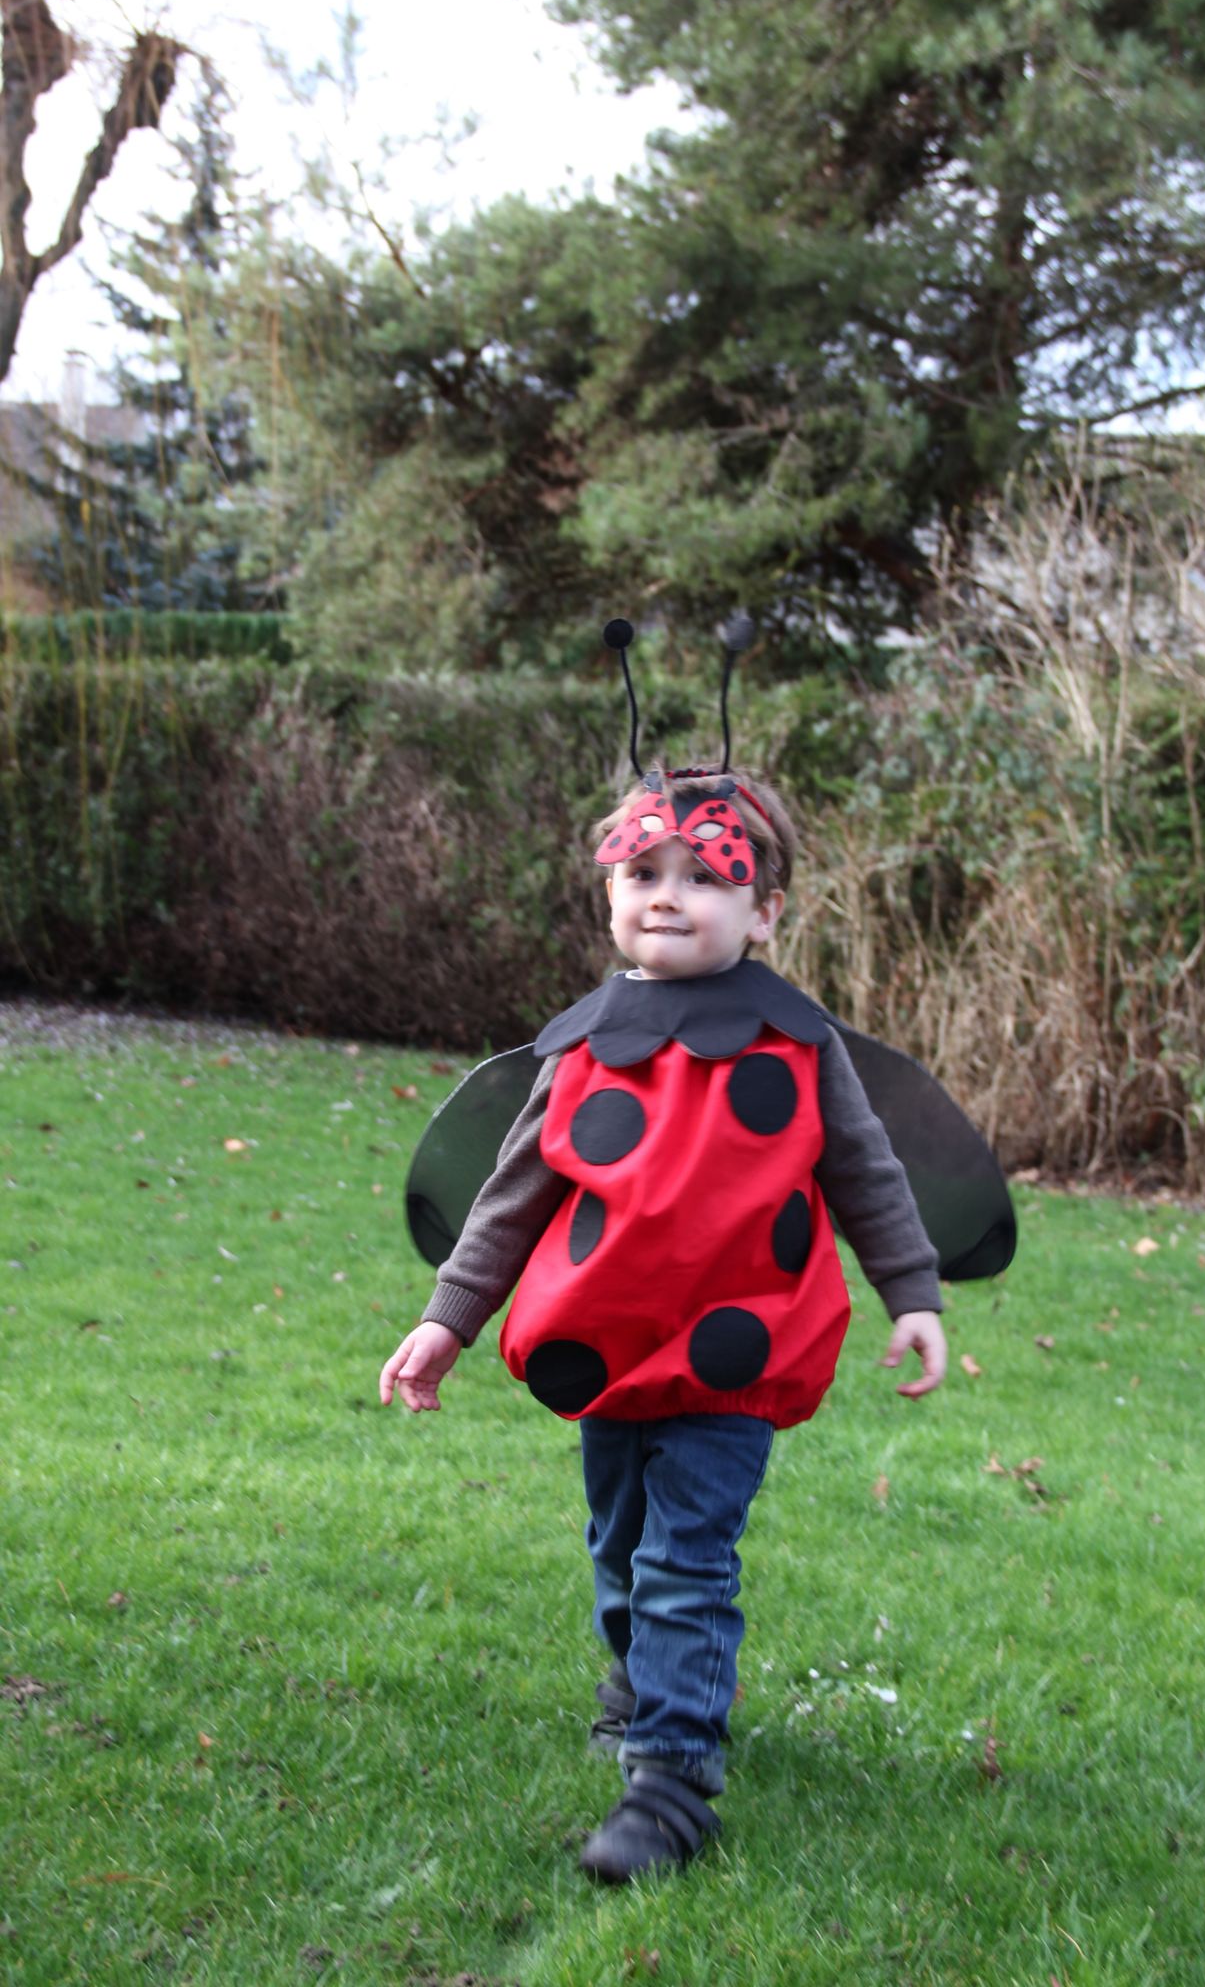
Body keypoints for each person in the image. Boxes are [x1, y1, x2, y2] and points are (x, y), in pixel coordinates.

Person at [379, 762, 948, 1883]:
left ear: (766, 908)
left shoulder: (797, 1041)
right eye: (643, 871)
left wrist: (914, 1292)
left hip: (737, 1346)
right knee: (620, 1540)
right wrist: (450, 1315)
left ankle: (671, 1781)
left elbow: (869, 1173)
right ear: (607, 894)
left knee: (688, 1553)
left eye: (705, 875)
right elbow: (515, 1192)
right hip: (607, 1345)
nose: (669, 895)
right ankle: (640, 1680)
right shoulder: (587, 1040)